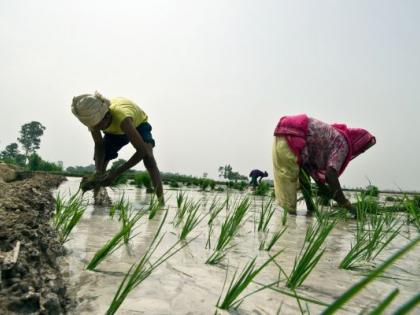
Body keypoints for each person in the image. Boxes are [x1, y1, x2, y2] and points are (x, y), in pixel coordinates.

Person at [272, 114, 375, 216]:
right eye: (363, 148)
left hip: (286, 132)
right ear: (358, 142)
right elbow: (331, 175)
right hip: (293, 136)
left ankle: (302, 213)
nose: (361, 151)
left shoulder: (331, 140)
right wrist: (345, 204)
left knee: (299, 182)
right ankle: (287, 228)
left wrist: (312, 207)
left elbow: (307, 173)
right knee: (288, 205)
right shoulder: (342, 144)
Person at [71, 91, 164, 203]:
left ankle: (161, 203)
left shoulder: (122, 118)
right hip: (114, 131)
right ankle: (98, 198)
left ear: (107, 116)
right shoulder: (94, 122)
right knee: (102, 158)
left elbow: (141, 151)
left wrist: (115, 173)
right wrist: (98, 172)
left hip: (138, 123)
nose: (98, 129)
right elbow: (99, 146)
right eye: (95, 126)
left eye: (100, 125)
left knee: (149, 158)